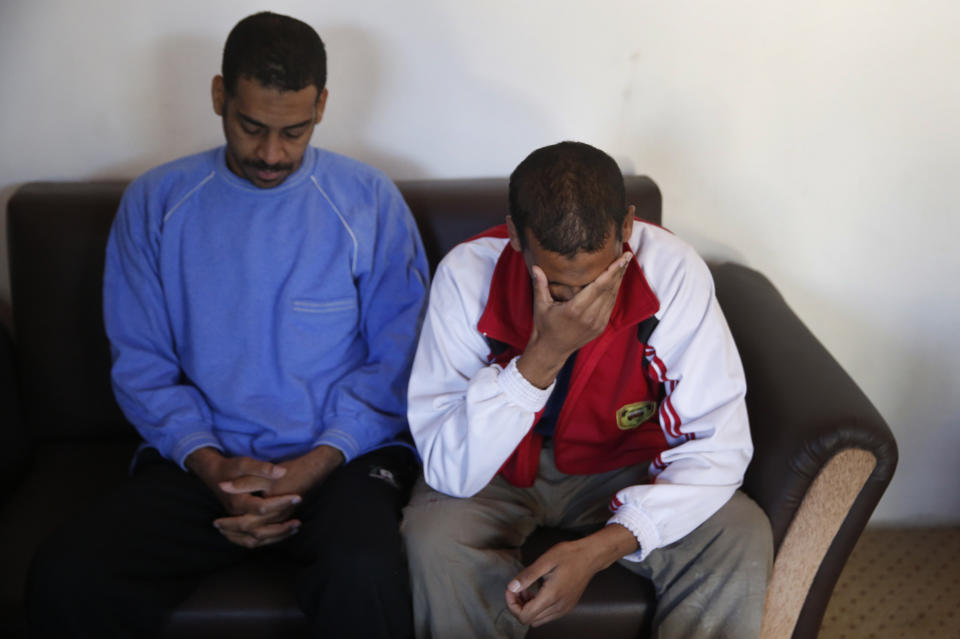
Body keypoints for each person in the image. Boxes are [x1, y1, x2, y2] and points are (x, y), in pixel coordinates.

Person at [26, 11, 428, 638]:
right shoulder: (157, 202)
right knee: (67, 572)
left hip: (340, 460)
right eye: (251, 127)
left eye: (293, 132)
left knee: (365, 571)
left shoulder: (368, 201)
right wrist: (211, 467)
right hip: (201, 464)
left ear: (322, 106)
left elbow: (400, 361)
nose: (271, 154)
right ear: (219, 96)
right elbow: (142, 364)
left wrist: (318, 462)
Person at [401, 141, 772, 638]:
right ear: (515, 235)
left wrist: (603, 548)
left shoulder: (674, 272)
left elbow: (719, 444)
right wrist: (543, 356)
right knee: (433, 537)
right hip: (500, 471)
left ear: (626, 228)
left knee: (738, 531)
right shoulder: (466, 275)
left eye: (600, 279)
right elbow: (450, 470)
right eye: (556, 286)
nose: (579, 306)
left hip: (621, 465)